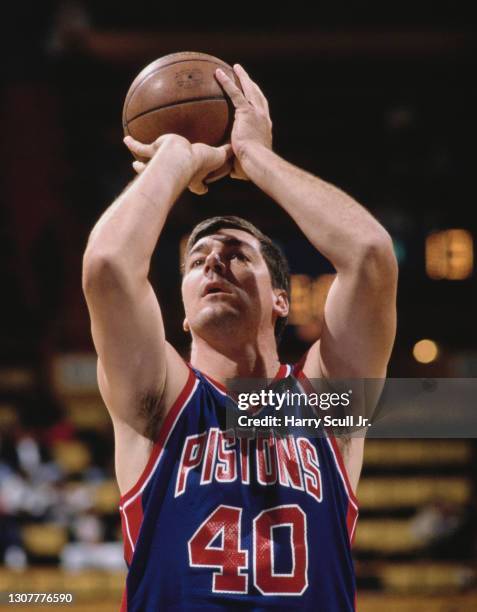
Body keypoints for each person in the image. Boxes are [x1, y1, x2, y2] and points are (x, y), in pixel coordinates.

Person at [82, 64, 397, 611]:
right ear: (180, 312)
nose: (214, 264)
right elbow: (109, 265)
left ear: (281, 299)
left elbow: (369, 258)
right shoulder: (157, 399)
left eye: (236, 255)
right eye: (197, 260)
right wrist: (178, 158)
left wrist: (255, 158)